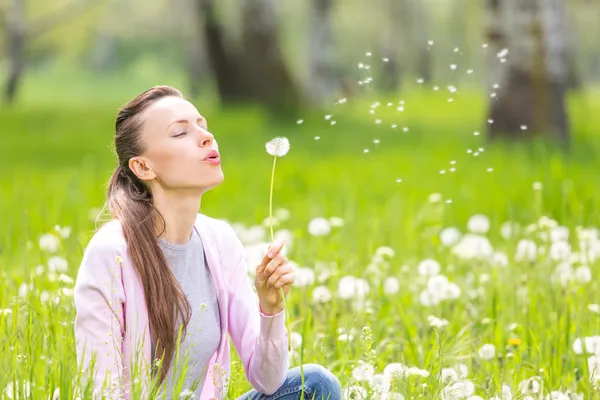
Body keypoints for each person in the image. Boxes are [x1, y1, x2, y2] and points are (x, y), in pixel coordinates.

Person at [73, 86, 342, 400]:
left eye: (202, 124)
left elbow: (267, 381)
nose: (205, 136)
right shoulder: (111, 252)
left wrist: (271, 308)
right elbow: (100, 389)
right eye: (180, 133)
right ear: (143, 167)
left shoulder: (219, 240)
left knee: (317, 385)